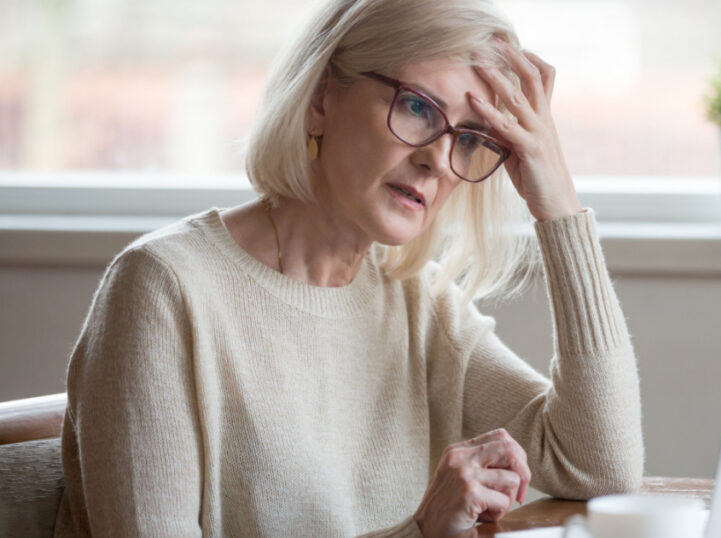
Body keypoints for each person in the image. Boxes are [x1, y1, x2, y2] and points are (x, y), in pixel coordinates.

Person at [56, 0, 644, 536]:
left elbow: (598, 465)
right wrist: (418, 533)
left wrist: (558, 204)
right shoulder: (163, 289)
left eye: (469, 139)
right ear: (320, 100)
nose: (437, 159)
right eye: (418, 107)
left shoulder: (417, 303)